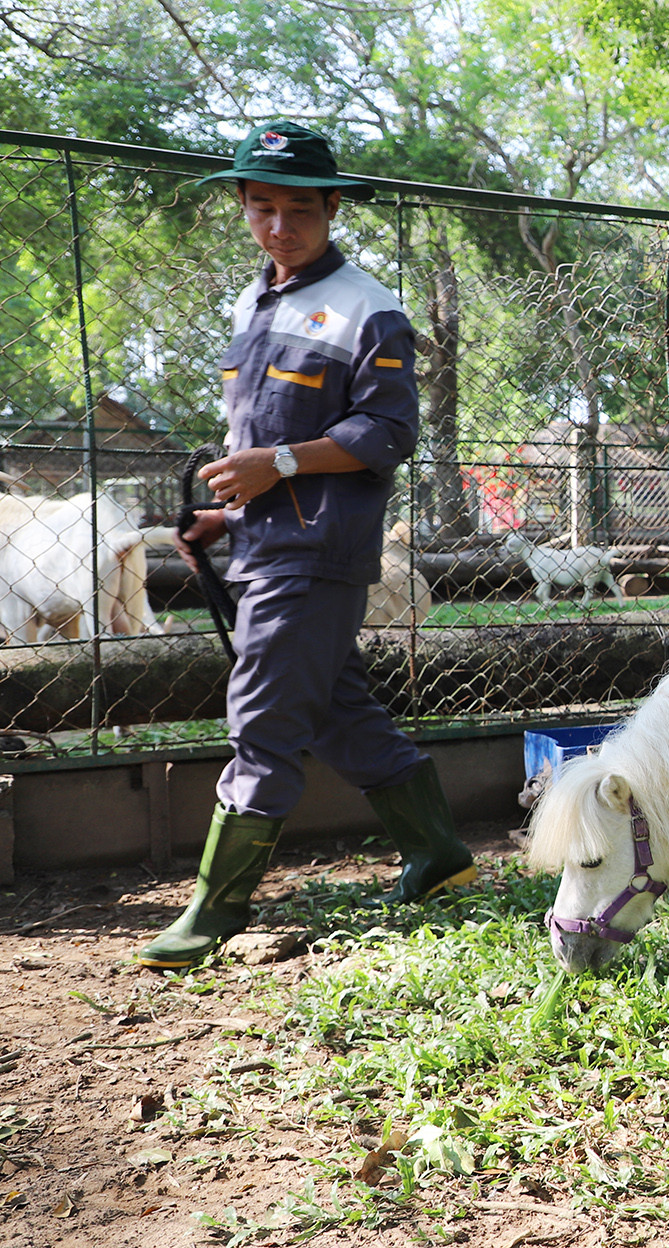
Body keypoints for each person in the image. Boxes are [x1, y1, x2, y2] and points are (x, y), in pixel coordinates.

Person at [138, 122, 476, 969]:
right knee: (335, 708)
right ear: (243, 208)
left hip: (319, 549)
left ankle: (215, 911)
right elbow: (260, 442)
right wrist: (228, 513)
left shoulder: (368, 307)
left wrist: (274, 465)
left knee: (263, 715)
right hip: (267, 540)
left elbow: (388, 431)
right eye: (261, 207)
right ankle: (438, 854)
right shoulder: (256, 303)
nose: (279, 225)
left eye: (298, 209)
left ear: (332, 207)